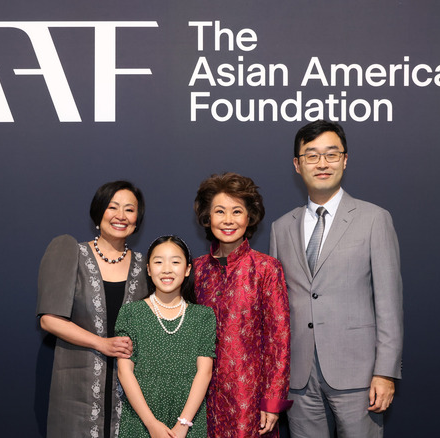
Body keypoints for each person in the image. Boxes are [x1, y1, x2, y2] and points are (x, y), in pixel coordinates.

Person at [269, 120, 403, 438]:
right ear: (297, 165)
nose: (322, 163)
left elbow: (389, 303)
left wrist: (385, 372)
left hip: (358, 373)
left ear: (345, 159)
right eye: (312, 155)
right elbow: (278, 307)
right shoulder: (281, 227)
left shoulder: (374, 219)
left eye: (331, 154)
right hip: (298, 374)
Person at [36, 180, 148, 438]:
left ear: (137, 219)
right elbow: (49, 320)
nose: (121, 216)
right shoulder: (69, 252)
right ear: (99, 212)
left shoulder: (147, 267)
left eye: (129, 210)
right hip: (77, 393)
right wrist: (101, 343)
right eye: (113, 207)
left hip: (132, 396)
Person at [192, 172, 292, 437]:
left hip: (248, 401)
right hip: (199, 399)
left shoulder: (266, 268)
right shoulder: (196, 270)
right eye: (219, 211)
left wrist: (272, 401)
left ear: (249, 217)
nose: (228, 220)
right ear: (207, 217)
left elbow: (278, 340)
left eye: (237, 211)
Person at [116, 235, 216, 438]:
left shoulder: (203, 316)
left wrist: (184, 423)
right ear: (149, 269)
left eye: (175, 262)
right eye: (159, 262)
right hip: (140, 420)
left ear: (187, 269)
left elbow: (204, 373)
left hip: (189, 421)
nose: (167, 269)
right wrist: (151, 424)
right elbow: (125, 373)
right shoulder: (130, 313)